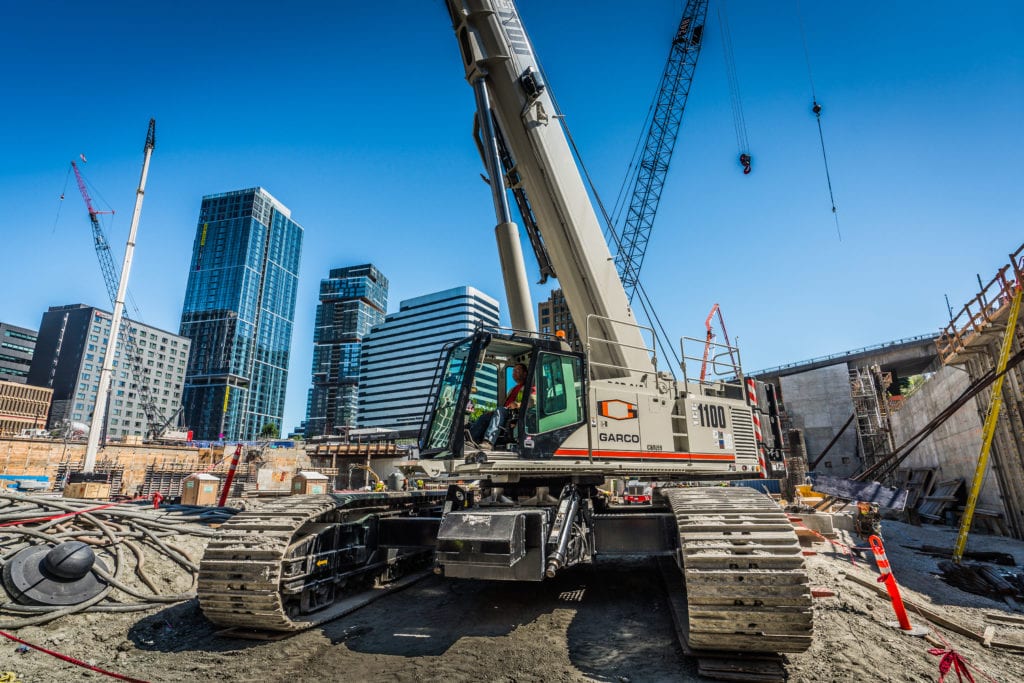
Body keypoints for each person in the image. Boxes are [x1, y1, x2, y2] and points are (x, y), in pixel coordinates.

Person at [468, 363, 529, 450]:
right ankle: (471, 439)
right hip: (505, 411)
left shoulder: (528, 387)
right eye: (513, 371)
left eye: (517, 371)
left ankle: (489, 441)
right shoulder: (513, 389)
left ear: (525, 373)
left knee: (500, 410)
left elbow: (533, 402)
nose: (514, 373)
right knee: (485, 416)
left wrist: (518, 405)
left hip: (515, 413)